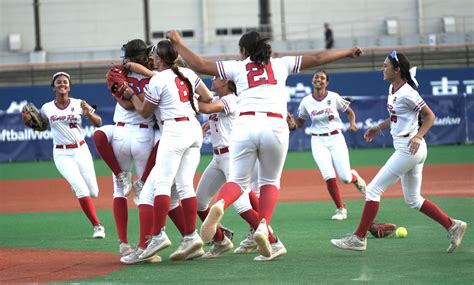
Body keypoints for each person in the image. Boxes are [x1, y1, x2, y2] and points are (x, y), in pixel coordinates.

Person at [167, 30, 362, 261]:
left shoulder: (237, 68)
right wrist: (348, 51)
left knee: (237, 181)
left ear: (243, 52)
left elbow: (199, 64)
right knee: (270, 182)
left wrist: (178, 43)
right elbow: (318, 58)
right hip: (274, 124)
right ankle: (263, 226)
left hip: (246, 123)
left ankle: (220, 203)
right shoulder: (281, 64)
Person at [330, 51, 467, 252]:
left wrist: (419, 136)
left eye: (385, 66)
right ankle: (452, 225)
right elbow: (396, 117)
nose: (382, 68)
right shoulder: (393, 88)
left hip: (409, 148)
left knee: (373, 190)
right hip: (410, 148)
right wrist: (379, 127)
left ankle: (359, 238)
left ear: (397, 70)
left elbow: (430, 116)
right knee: (413, 199)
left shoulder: (408, 93)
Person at [122, 40, 213, 262]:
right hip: (192, 127)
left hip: (173, 130)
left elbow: (144, 111)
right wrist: (185, 103)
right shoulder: (188, 73)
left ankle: (158, 235)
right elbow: (208, 97)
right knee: (184, 185)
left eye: (153, 56)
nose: (150, 59)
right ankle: (190, 236)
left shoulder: (159, 79)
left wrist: (130, 94)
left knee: (161, 185)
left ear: (160, 58)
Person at [22, 72, 105, 239]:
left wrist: (87, 111)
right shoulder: (47, 108)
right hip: (61, 153)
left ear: (69, 86)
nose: (62, 84)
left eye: (65, 82)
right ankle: (97, 226)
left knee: (93, 192)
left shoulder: (78, 103)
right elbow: (43, 126)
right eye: (58, 82)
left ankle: (76, 185)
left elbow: (99, 122)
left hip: (81, 150)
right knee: (81, 190)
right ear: (53, 87)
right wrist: (31, 124)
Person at [93, 39, 157, 256]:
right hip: (144, 135)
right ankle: (145, 244)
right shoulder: (157, 75)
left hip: (121, 133)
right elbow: (144, 106)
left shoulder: (117, 72)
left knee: (119, 192)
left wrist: (128, 97)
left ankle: (123, 242)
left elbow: (124, 101)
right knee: (146, 195)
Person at [196, 76, 262, 258]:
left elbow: (207, 107)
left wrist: (184, 97)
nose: (214, 79)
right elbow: (210, 107)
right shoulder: (218, 99)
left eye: (218, 78)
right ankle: (220, 241)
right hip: (218, 158)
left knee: (241, 205)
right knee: (199, 202)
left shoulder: (231, 99)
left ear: (226, 83)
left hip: (233, 156)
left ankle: (271, 239)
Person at [291, 70, 366, 221]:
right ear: (312, 81)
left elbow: (349, 112)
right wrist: (291, 121)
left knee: (345, 178)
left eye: (322, 78)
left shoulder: (333, 97)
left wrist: (352, 124)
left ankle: (354, 177)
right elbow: (300, 122)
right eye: (316, 77)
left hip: (336, 138)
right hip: (318, 141)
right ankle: (340, 209)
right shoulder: (306, 101)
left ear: (327, 83)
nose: (319, 79)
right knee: (329, 176)